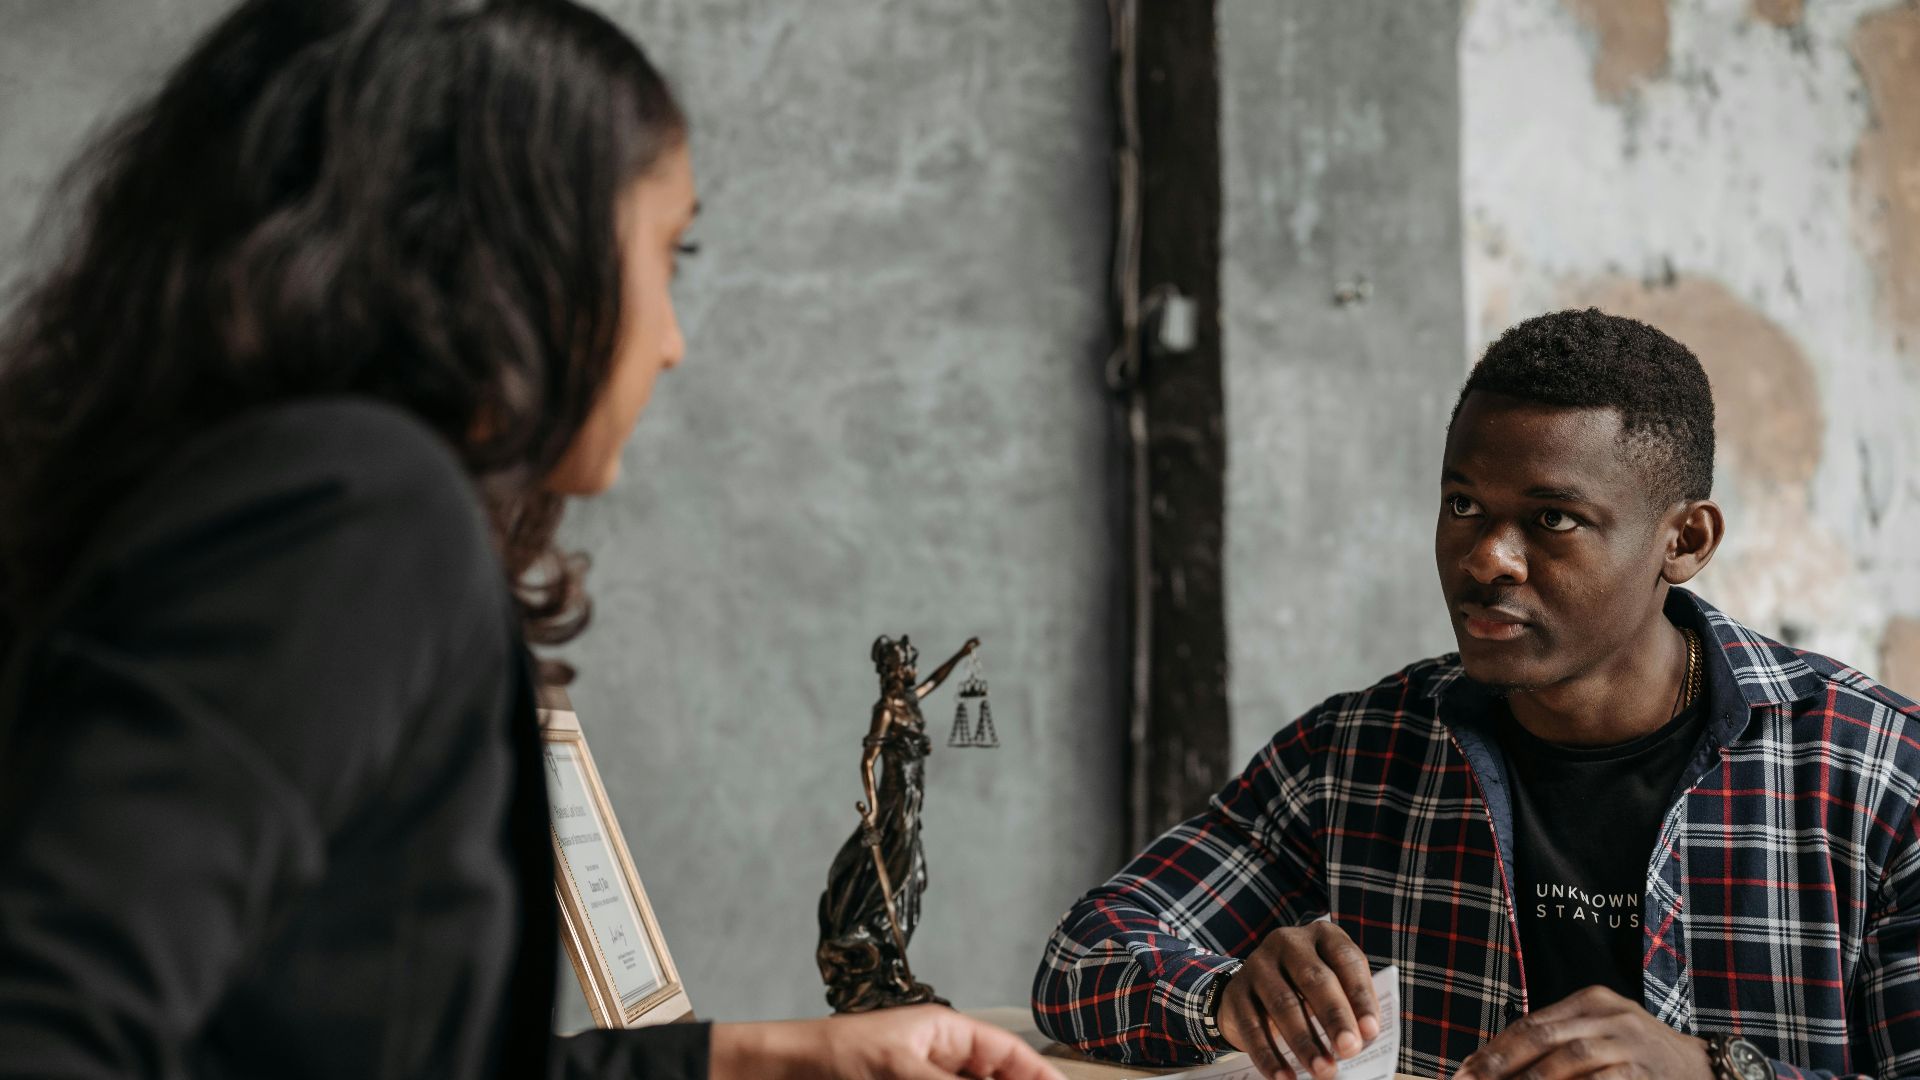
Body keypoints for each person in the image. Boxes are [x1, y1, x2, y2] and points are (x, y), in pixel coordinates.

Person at [0, 3, 1059, 1078]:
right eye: (667, 252)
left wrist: (776, 1059)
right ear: (515, 257)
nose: (673, 343)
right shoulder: (358, 510)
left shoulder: (277, 502)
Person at [1032, 309, 1920, 1080]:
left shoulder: (1881, 778)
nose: (1486, 557)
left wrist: (1717, 1071)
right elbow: (1083, 958)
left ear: (1684, 540)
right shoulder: (1356, 756)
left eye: (1553, 519)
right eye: (1463, 505)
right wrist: (1226, 996)